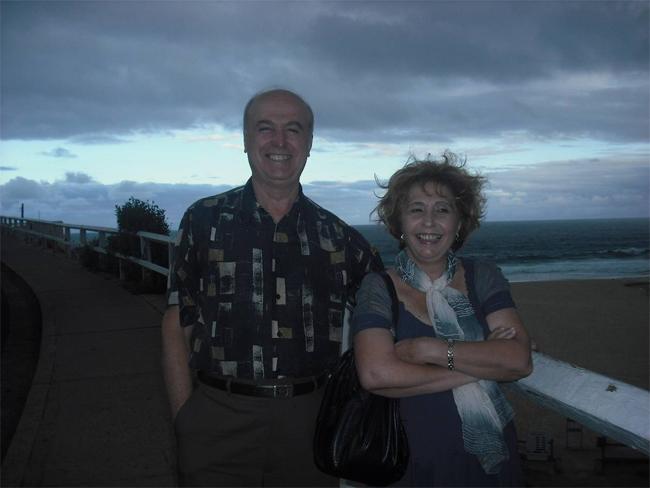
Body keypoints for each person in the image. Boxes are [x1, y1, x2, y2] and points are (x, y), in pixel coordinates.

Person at [161, 88, 383, 487]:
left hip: (310, 423)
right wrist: (185, 419)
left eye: (293, 129)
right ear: (246, 140)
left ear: (309, 143)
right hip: (216, 419)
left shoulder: (339, 237)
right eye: (265, 128)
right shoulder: (202, 221)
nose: (280, 141)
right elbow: (178, 321)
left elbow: (388, 308)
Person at [351, 152, 533, 486]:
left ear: (459, 223)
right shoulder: (378, 286)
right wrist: (484, 363)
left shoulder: (483, 276)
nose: (429, 222)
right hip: (412, 463)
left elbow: (519, 360)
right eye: (416, 209)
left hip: (491, 464)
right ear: (399, 223)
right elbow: (376, 374)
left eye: (443, 210)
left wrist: (429, 350)